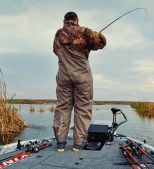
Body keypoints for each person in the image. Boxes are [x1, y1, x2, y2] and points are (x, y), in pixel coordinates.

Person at [53, 11, 106, 152]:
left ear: (64, 21)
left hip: (64, 76)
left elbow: (55, 51)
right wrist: (97, 36)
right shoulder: (85, 32)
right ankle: (78, 144)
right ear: (77, 20)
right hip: (82, 77)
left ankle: (61, 144)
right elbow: (101, 43)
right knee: (82, 109)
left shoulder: (58, 34)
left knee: (63, 107)